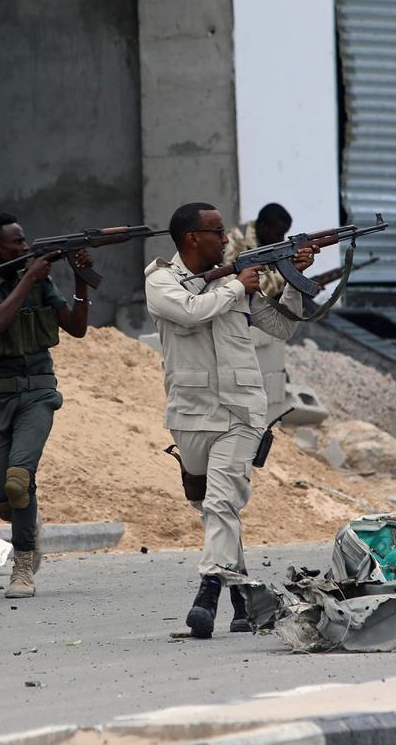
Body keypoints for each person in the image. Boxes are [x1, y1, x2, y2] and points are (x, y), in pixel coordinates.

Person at [144, 202, 315, 638]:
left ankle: (208, 593)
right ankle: (243, 598)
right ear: (191, 239)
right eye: (217, 232)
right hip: (190, 413)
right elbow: (190, 311)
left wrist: (296, 279)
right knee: (210, 508)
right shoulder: (161, 281)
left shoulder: (237, 285)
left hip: (241, 411)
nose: (226, 239)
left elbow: (282, 328)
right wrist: (238, 287)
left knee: (222, 504)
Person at [0, 212, 92, 599]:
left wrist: (81, 278)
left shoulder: (41, 284)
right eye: (17, 242)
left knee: (18, 481)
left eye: (25, 240)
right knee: (3, 497)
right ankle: (27, 519)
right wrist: (29, 277)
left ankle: (23, 566)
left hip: (38, 393)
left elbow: (77, 327)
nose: (25, 247)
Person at [224, 203, 292, 298]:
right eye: (278, 234)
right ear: (263, 226)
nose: (281, 239)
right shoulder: (234, 241)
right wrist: (288, 275)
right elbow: (252, 287)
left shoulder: (269, 244)